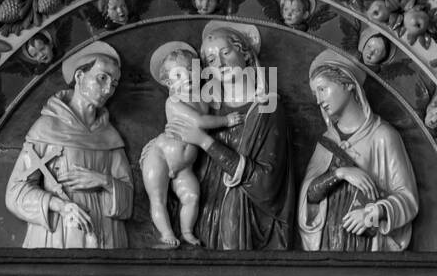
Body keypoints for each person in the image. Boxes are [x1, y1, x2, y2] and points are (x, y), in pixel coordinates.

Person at [166, 22, 294, 250]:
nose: (221, 64)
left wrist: (205, 141)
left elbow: (266, 183)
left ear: (245, 54)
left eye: (226, 53)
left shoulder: (266, 107)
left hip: (245, 224)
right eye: (212, 60)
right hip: (205, 219)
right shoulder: (206, 111)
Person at [4, 41, 133, 248]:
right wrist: (60, 206)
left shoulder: (109, 135)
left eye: (114, 84)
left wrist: (103, 180)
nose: (108, 89)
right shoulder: (46, 127)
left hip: (107, 238)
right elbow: (15, 192)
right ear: (80, 77)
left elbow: (127, 197)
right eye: (102, 78)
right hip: (59, 236)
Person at [298, 49, 418, 252]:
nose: (318, 100)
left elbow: (407, 198)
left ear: (347, 84)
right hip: (327, 244)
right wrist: (340, 174)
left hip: (364, 245)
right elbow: (310, 195)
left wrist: (372, 213)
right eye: (315, 93)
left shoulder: (382, 136)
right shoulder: (327, 141)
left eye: (322, 89)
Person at [140, 41, 242, 247]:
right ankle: (166, 232)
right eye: (178, 75)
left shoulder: (203, 99)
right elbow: (199, 122)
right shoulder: (174, 102)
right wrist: (226, 120)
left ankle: (186, 231)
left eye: (190, 71)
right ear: (169, 83)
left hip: (185, 166)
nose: (186, 77)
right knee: (158, 198)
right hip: (160, 156)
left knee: (192, 196)